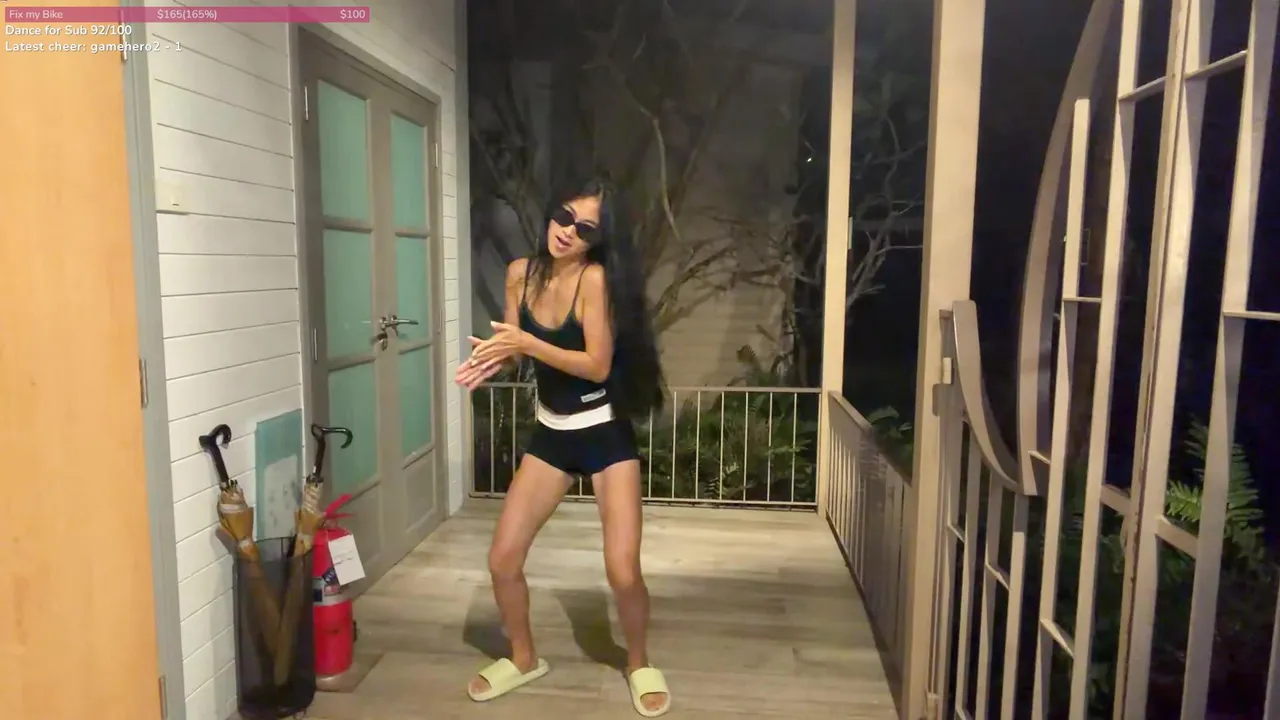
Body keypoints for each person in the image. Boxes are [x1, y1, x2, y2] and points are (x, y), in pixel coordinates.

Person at [454, 177, 671, 717]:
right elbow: (516, 352)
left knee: (622, 570)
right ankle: (524, 657)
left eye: (586, 228)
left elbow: (596, 365)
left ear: (598, 239)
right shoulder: (519, 275)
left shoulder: (594, 280)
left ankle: (638, 661)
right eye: (564, 216)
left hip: (603, 431)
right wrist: (497, 356)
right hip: (551, 432)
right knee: (503, 559)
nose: (568, 231)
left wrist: (528, 342)